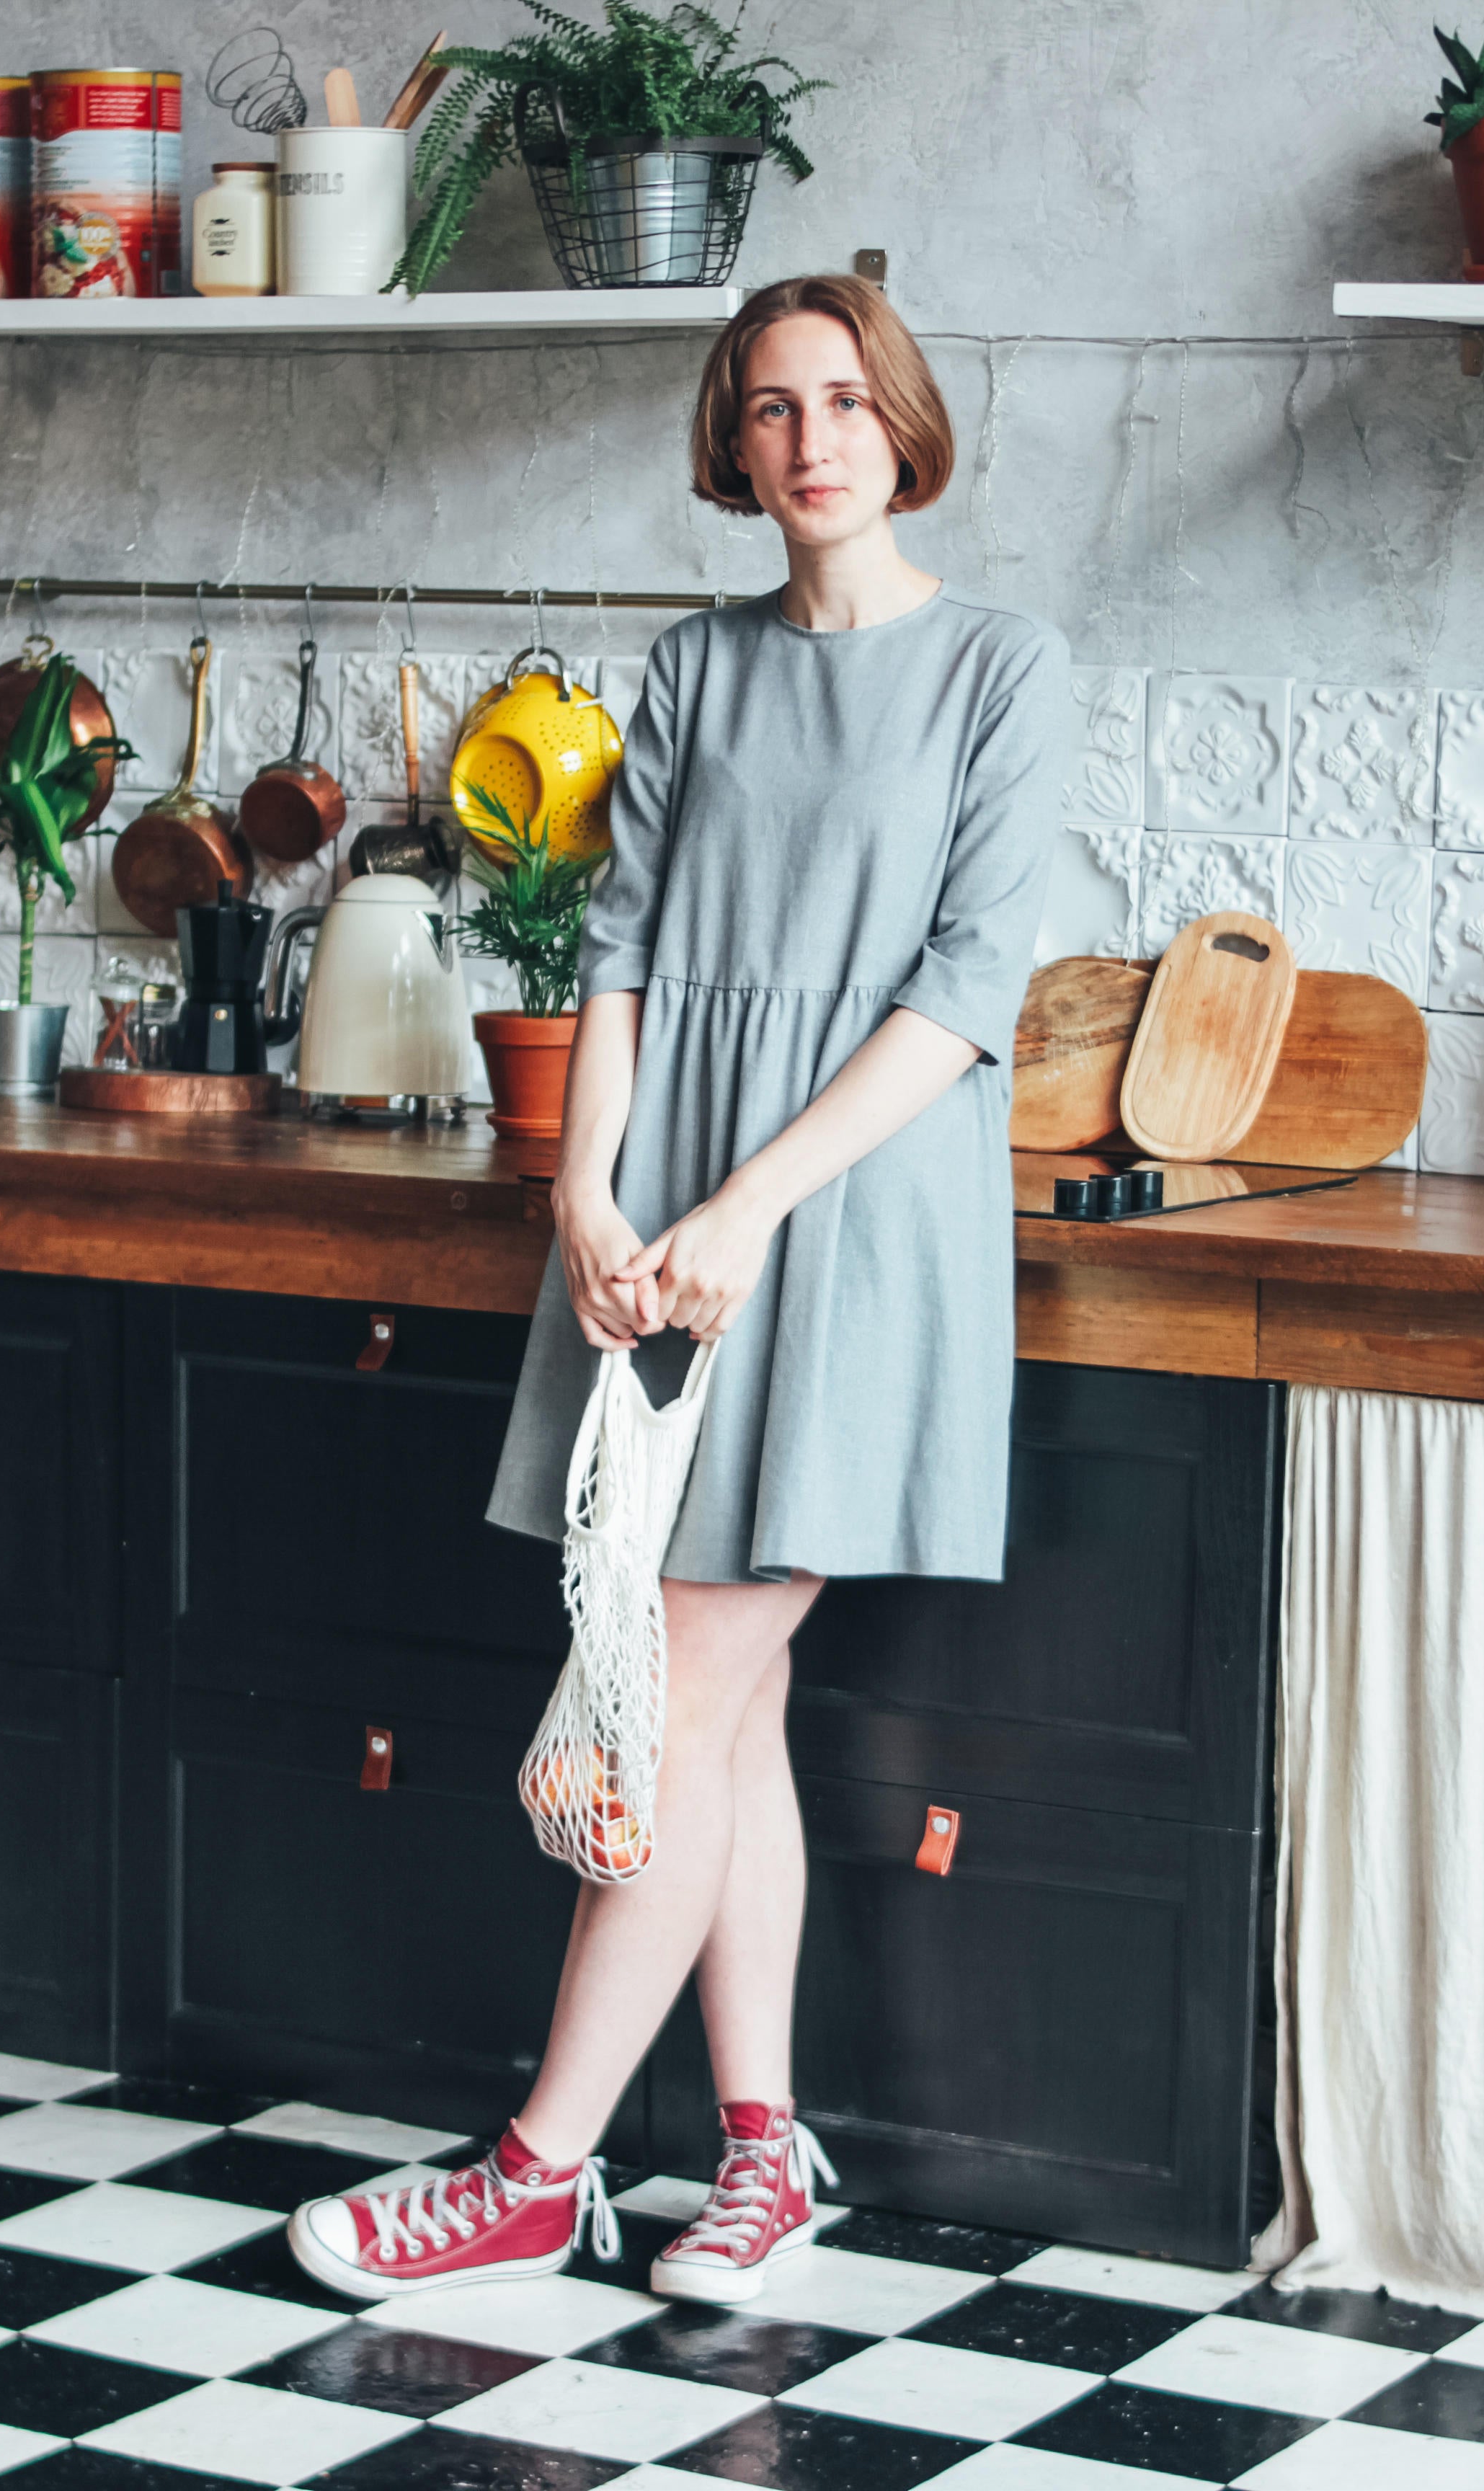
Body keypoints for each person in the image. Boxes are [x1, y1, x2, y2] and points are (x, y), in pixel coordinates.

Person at [285, 272, 1068, 2308]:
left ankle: (538, 2170)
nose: (811, 440)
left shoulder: (1003, 667)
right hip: (657, 1241)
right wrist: (588, 1194)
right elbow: (618, 957)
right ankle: (757, 2149)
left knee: (670, 1693)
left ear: (904, 422)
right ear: (730, 447)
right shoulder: (693, 670)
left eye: (843, 400)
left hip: (851, 1219)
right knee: (733, 1709)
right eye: (769, 409)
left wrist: (752, 1209)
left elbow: (960, 996)